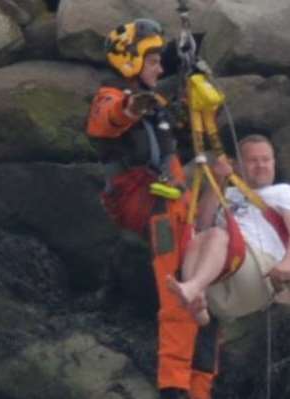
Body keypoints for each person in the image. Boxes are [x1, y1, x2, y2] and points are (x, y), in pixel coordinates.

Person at [86, 19, 217, 399]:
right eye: (154, 61)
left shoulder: (156, 99)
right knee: (178, 291)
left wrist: (190, 70)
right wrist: (130, 107)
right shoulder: (110, 98)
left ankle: (200, 387)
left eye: (162, 61)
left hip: (177, 202)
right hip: (152, 205)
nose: (160, 69)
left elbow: (179, 108)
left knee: (206, 294)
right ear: (131, 61)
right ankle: (175, 388)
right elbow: (108, 117)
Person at [167, 134, 290, 325]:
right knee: (200, 237)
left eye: (266, 160)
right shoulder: (226, 193)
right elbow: (202, 224)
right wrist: (218, 180)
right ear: (236, 165)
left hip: (258, 275)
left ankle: (193, 288)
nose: (261, 165)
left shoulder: (283, 192)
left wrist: (289, 262)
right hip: (217, 280)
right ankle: (198, 301)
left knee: (217, 234)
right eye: (253, 161)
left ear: (274, 162)